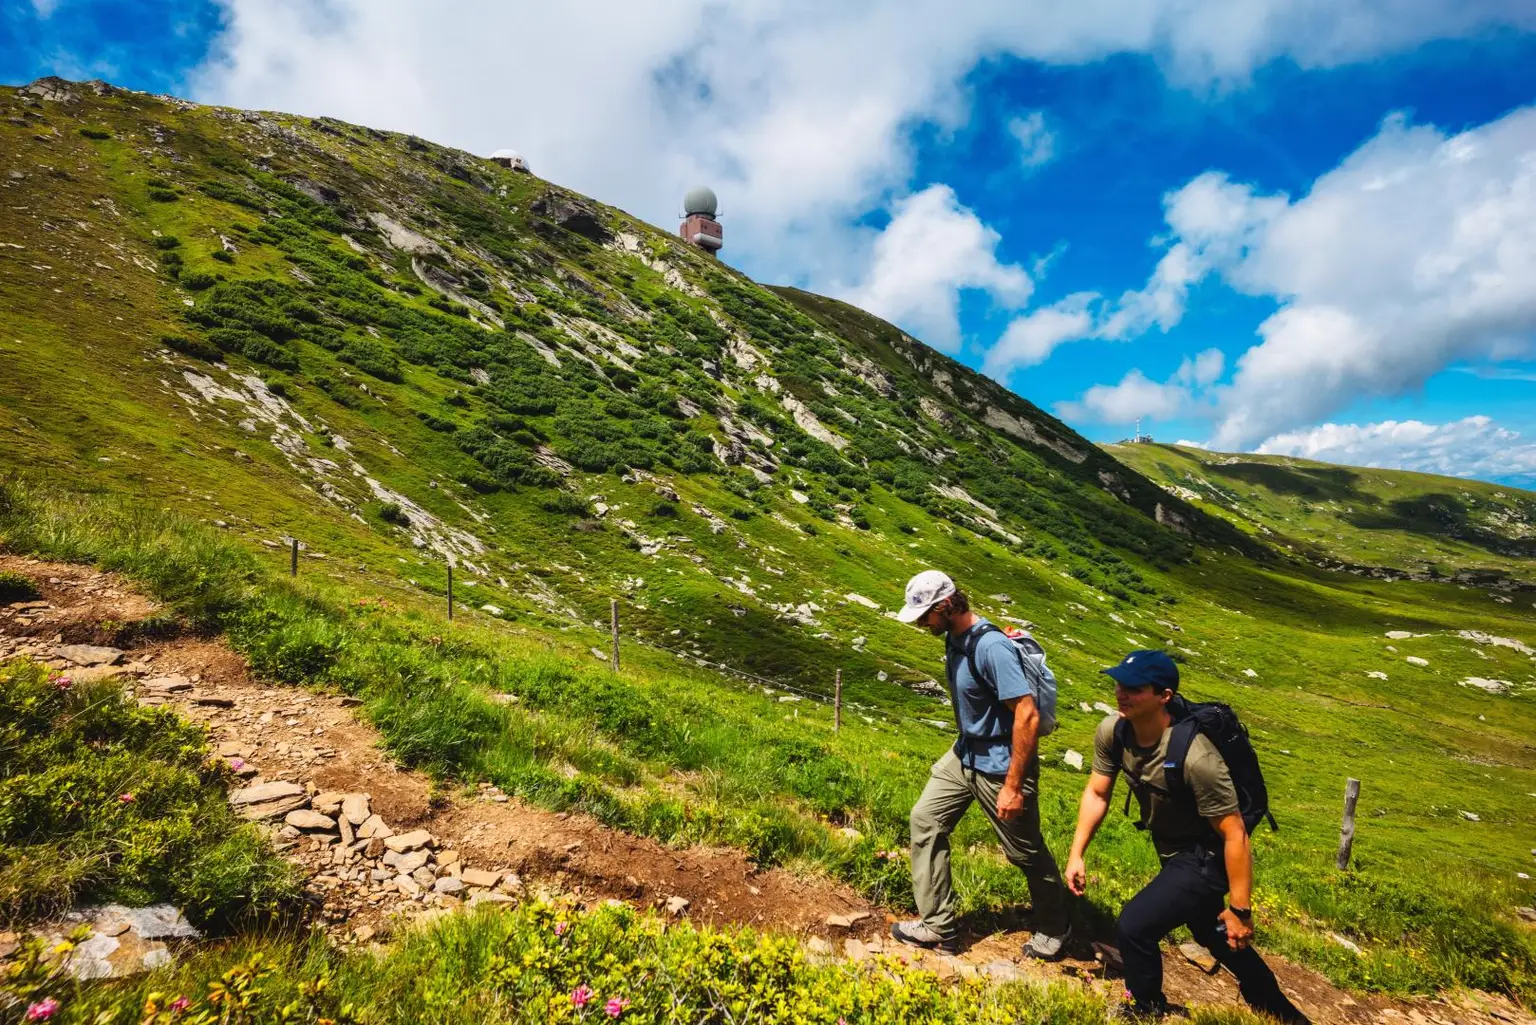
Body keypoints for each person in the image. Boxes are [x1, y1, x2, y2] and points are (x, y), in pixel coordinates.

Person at [1065, 650, 1310, 1023]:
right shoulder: (1112, 732)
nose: (1121, 693)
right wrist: (1076, 853)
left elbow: (1234, 834)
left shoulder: (1196, 757)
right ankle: (1280, 1010)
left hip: (1206, 854)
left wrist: (1242, 910)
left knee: (1135, 925)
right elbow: (1098, 792)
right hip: (1172, 847)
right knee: (1212, 929)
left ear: (1164, 696)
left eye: (1134, 688)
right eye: (1118, 684)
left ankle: (1144, 1009)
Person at [888, 569, 1072, 959]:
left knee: (1024, 852)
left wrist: (1013, 785)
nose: (922, 625)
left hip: (1000, 766)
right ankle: (938, 927)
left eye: (925, 617)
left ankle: (1058, 927)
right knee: (925, 819)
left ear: (946, 606)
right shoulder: (955, 639)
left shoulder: (991, 648)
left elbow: (1027, 715)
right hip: (965, 754)